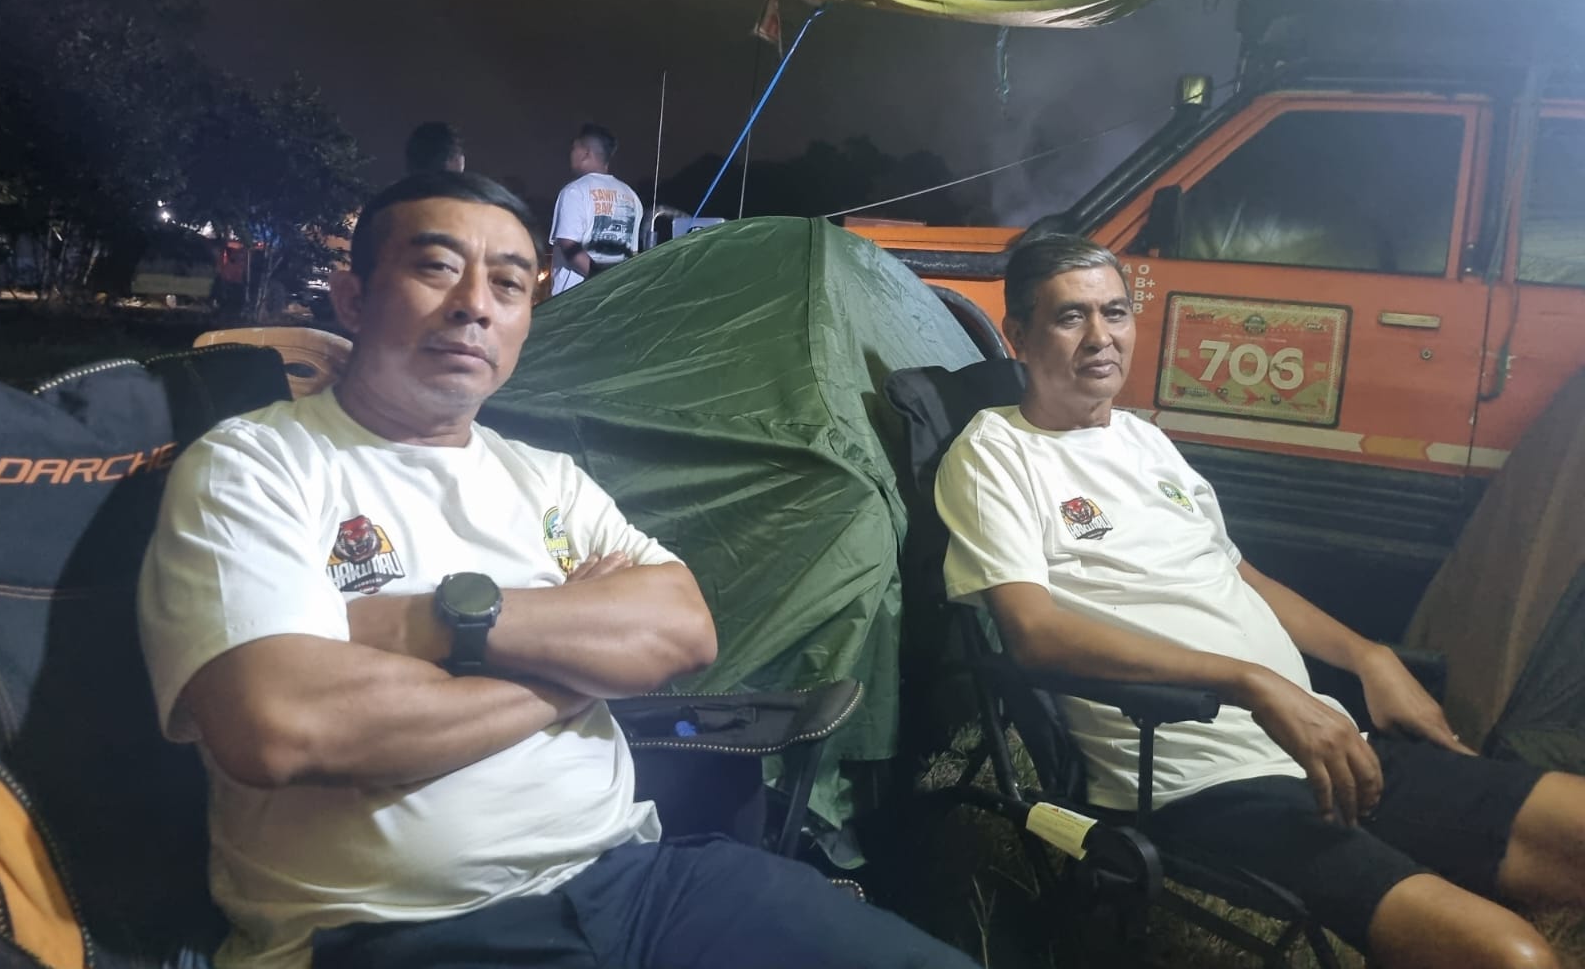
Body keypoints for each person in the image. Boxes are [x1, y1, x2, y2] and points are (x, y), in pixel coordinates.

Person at [138, 171, 977, 969]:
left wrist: (425, 623)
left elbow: (684, 630)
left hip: (638, 882)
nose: (475, 304)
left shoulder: (546, 478)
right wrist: (578, 673)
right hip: (396, 930)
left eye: (509, 284)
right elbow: (282, 726)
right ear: (353, 297)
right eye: (436, 268)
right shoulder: (257, 466)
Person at [935, 233, 1585, 969]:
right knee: (1516, 958)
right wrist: (1249, 681)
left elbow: (1236, 570)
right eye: (1069, 317)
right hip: (1199, 781)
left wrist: (1369, 657)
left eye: (1115, 312)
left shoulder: (1144, 441)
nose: (1100, 336)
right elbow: (1033, 632)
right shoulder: (995, 454)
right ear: (1019, 335)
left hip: (1323, 740)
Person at [549, 123, 642, 294]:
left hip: (574, 301)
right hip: (616, 299)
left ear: (586, 153)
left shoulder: (574, 191)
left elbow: (569, 245)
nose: (571, 154)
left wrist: (600, 281)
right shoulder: (631, 196)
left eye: (574, 148)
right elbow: (632, 254)